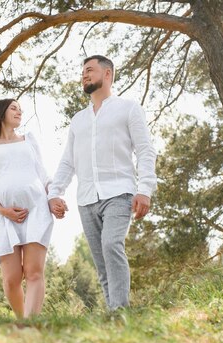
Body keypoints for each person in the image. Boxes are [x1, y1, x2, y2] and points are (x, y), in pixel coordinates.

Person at [48, 55, 157, 311]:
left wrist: (145, 190)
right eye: (83, 71)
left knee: (111, 245)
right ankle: (114, 316)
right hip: (86, 200)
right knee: (101, 262)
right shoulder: (78, 120)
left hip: (119, 194)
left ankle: (120, 311)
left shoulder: (129, 108)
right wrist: (55, 192)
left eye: (90, 70)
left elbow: (145, 150)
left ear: (107, 74)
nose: (84, 75)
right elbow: (68, 161)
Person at [0, 98, 54, 319]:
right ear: (0, 112)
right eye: (14, 108)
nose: (20, 111)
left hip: (36, 210)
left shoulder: (29, 140)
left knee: (34, 271)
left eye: (21, 109)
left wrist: (54, 197)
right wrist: (2, 210)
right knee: (11, 279)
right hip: (4, 216)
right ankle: (21, 319)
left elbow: (43, 174)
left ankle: (30, 324)